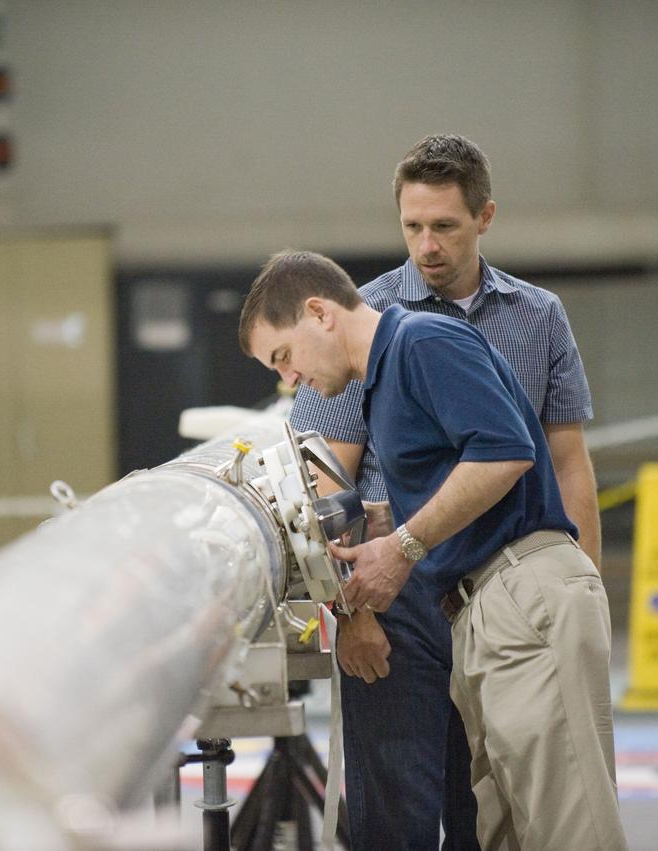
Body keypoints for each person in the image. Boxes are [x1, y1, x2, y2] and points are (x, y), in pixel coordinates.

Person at [239, 251, 625, 851]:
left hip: (523, 590)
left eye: (284, 356)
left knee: (568, 827)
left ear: (319, 313)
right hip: (479, 606)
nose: (290, 378)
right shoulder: (383, 381)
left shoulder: (420, 340)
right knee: (502, 829)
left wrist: (402, 545)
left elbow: (506, 452)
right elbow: (464, 475)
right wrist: (386, 517)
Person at [287, 134, 601, 850]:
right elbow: (326, 485)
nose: (426, 244)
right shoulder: (358, 319)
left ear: (485, 216)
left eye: (445, 226)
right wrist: (351, 612)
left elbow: (567, 462)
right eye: (412, 226)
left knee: (493, 806)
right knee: (390, 811)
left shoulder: (536, 317)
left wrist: (583, 596)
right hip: (393, 600)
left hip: (501, 593)